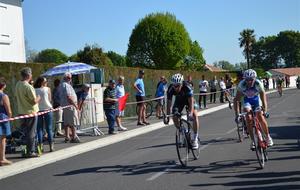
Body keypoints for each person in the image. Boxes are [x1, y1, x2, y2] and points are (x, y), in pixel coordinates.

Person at [234, 69, 273, 150]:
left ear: (255, 78)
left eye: (251, 79)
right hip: (247, 100)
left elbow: (263, 99)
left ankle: (268, 137)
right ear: (244, 79)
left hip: (256, 100)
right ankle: (253, 141)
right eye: (247, 80)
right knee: (248, 117)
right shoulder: (241, 85)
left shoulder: (258, 83)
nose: (249, 81)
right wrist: (237, 114)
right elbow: (236, 100)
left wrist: (265, 111)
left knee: (260, 115)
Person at [166, 73, 200, 149]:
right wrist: (167, 116)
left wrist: (191, 113)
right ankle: (183, 132)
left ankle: (195, 138)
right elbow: (169, 104)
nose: (175, 87)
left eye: (177, 85)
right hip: (179, 100)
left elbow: (191, 101)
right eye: (174, 85)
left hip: (189, 100)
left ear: (181, 83)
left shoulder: (187, 86)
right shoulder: (171, 88)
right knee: (174, 116)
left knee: (194, 115)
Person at [15, 67, 40, 158]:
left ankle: (24, 150)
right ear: (29, 75)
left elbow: (16, 97)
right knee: (31, 133)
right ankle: (31, 151)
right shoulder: (28, 87)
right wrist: (38, 98)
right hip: (30, 112)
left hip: (21, 112)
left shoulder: (18, 84)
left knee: (24, 133)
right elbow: (34, 101)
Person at [59, 72, 80, 143]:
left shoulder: (61, 85)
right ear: (65, 78)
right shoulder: (66, 85)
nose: (70, 79)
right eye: (69, 78)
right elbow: (69, 97)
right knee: (72, 122)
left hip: (65, 106)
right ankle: (74, 137)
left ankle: (67, 136)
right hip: (70, 105)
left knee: (66, 122)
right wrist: (75, 105)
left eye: (70, 78)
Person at [34, 77, 54, 153]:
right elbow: (50, 99)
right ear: (42, 82)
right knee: (49, 129)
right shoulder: (47, 89)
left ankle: (40, 146)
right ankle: (51, 146)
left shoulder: (34, 89)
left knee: (39, 129)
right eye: (45, 81)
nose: (46, 82)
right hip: (48, 109)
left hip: (38, 110)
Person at [0, 79, 13, 165]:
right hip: (2, 118)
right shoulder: (4, 96)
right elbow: (9, 110)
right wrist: (10, 117)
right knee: (2, 139)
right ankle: (2, 158)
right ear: (3, 86)